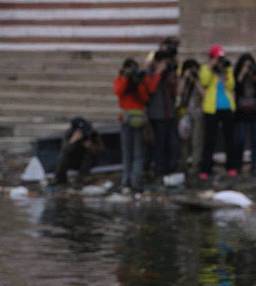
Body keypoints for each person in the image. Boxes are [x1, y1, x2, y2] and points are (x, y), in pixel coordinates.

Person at [113, 58, 163, 193]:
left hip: (127, 117)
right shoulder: (133, 81)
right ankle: (135, 182)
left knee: (128, 153)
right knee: (138, 154)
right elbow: (145, 98)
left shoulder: (124, 80)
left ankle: (127, 182)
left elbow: (119, 92)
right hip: (138, 117)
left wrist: (127, 79)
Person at [198, 44, 236, 180]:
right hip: (211, 108)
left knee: (229, 139)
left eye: (221, 58)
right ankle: (205, 169)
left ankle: (231, 166)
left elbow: (231, 85)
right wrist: (211, 67)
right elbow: (204, 81)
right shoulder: (205, 68)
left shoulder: (228, 69)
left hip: (227, 107)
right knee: (210, 140)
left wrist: (224, 73)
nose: (220, 61)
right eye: (217, 58)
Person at [146, 40, 179, 179]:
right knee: (159, 144)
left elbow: (174, 91)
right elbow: (150, 89)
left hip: (169, 112)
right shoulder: (150, 72)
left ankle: (170, 168)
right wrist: (158, 72)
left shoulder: (169, 72)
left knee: (171, 143)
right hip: (157, 114)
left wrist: (173, 78)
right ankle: (159, 170)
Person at [233, 52, 256, 176]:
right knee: (240, 140)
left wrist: (253, 76)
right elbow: (236, 87)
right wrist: (242, 73)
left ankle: (254, 166)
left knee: (255, 140)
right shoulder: (238, 74)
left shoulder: (255, 74)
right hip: (241, 112)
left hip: (255, 112)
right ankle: (238, 165)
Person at [53, 117, 104, 186]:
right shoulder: (69, 134)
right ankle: (60, 180)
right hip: (74, 160)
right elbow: (64, 150)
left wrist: (91, 146)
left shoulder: (92, 133)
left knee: (88, 156)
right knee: (62, 157)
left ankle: (81, 180)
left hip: (89, 162)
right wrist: (73, 141)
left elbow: (101, 150)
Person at [177, 58, 204, 173]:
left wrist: (195, 80)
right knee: (183, 141)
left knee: (196, 140)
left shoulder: (200, 79)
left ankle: (195, 164)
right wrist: (185, 78)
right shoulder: (181, 79)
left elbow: (203, 93)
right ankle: (183, 163)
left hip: (197, 112)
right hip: (183, 112)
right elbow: (179, 92)